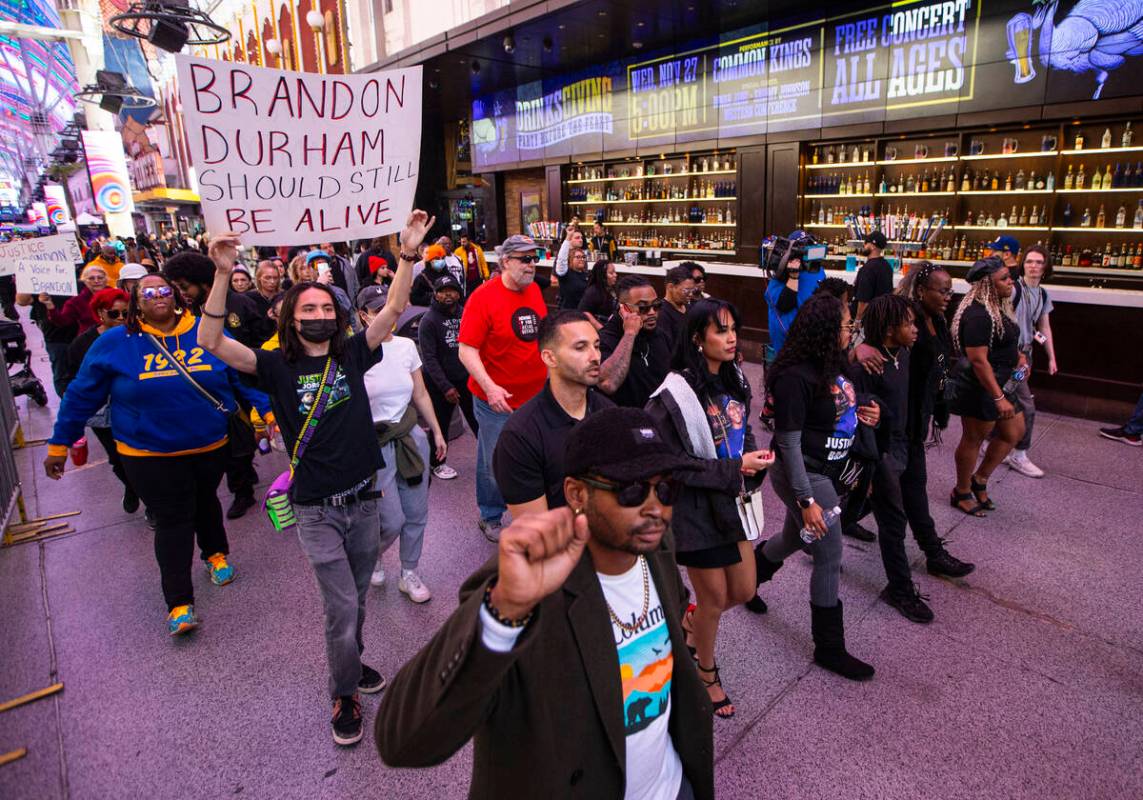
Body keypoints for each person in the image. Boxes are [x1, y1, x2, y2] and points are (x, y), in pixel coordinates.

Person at [375, 407, 714, 800]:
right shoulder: (526, 586)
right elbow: (402, 742)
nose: (656, 507)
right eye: (632, 490)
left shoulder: (655, 546)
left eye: (667, 488)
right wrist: (503, 614)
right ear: (576, 494)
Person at [198, 210, 430, 747]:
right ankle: (343, 691)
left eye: (328, 307)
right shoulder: (275, 364)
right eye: (310, 308)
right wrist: (220, 273)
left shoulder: (351, 353)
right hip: (317, 510)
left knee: (357, 600)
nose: (321, 314)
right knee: (341, 606)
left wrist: (408, 253)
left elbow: (393, 306)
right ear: (291, 318)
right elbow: (211, 341)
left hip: (365, 501)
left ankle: (353, 664)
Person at [44, 273, 273, 636]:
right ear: (136, 302)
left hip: (209, 444)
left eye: (164, 290)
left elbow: (242, 374)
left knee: (205, 501)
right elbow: (80, 395)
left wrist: (267, 410)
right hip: (147, 452)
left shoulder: (205, 332)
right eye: (147, 293)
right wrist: (61, 442)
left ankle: (215, 553)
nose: (157, 297)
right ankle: (179, 602)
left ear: (177, 296)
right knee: (173, 518)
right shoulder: (116, 342)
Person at [645, 299, 775, 717]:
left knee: (745, 589)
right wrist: (735, 467)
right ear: (698, 339)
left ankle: (689, 623)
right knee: (715, 599)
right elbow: (669, 463)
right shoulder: (673, 395)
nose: (732, 337)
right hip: (695, 511)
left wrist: (752, 462)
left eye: (734, 328)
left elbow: (743, 430)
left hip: (732, 502)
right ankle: (705, 672)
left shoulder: (736, 377)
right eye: (721, 330)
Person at [750, 292, 879, 681]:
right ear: (826, 330)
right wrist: (806, 499)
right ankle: (830, 647)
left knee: (792, 539)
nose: (851, 332)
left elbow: (844, 406)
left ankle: (746, 581)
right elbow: (787, 443)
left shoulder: (834, 362)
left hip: (828, 469)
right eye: (845, 326)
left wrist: (869, 412)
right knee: (828, 552)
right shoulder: (794, 376)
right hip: (804, 474)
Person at [850, 294, 942, 623]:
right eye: (909, 323)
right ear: (890, 330)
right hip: (879, 453)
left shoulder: (903, 351)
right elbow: (856, 416)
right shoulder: (867, 365)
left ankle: (827, 528)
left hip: (904, 443)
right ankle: (900, 590)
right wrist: (871, 466)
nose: (915, 328)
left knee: (864, 507)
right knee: (894, 522)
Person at [357, 284, 447, 605]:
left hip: (411, 438)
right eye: (377, 310)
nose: (386, 315)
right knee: (391, 518)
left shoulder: (407, 346)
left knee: (416, 512)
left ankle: (409, 571)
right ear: (363, 315)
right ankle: (373, 555)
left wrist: (436, 430)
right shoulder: (355, 351)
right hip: (374, 443)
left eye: (390, 308)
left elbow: (420, 393)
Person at [458, 234, 548, 542]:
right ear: (505, 261)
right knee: (494, 460)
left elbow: (541, 337)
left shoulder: (534, 290)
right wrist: (491, 387)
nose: (532, 265)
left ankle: (533, 510)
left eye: (534, 258)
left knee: (536, 455)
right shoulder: (483, 297)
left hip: (535, 395)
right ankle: (490, 515)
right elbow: (466, 350)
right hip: (495, 399)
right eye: (525, 259)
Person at [164, 251, 267, 519]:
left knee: (244, 440)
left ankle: (244, 485)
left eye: (184, 287)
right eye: (176, 287)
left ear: (202, 281)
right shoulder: (185, 315)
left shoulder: (241, 305)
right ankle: (242, 486)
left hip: (246, 382)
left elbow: (261, 343)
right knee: (233, 449)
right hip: (212, 393)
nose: (181, 293)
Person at [493, 311, 613, 518]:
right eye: (580, 347)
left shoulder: (609, 415)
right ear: (550, 357)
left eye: (596, 345)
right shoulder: (520, 436)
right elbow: (536, 530)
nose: (595, 357)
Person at [948, 257, 1024, 517]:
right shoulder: (978, 314)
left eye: (1009, 276)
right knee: (973, 438)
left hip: (1002, 382)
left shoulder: (999, 306)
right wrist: (998, 397)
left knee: (1013, 432)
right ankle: (961, 490)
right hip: (981, 386)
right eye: (1003, 278)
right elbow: (979, 361)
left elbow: (1005, 342)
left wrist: (1018, 357)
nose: (1010, 281)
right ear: (987, 285)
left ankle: (979, 479)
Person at [62, 287, 138, 514]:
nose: (122, 319)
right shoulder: (83, 344)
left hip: (135, 404)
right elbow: (71, 379)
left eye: (126, 313)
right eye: (114, 314)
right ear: (100, 314)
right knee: (117, 457)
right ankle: (132, 488)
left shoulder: (137, 334)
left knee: (144, 453)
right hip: (102, 409)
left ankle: (150, 500)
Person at [1002, 245, 1058, 478]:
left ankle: (994, 441)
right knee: (1027, 405)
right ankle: (1018, 453)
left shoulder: (1043, 294)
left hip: (1026, 355)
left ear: (1046, 267)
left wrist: (1052, 357)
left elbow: (1043, 327)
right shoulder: (1014, 289)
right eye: (1029, 262)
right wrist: (1016, 356)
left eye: (1038, 262)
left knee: (1006, 394)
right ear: (1022, 264)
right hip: (1012, 357)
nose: (1033, 266)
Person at [418, 274, 479, 481]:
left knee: (479, 421)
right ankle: (437, 463)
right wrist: (445, 387)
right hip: (439, 384)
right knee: (440, 425)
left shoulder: (466, 313)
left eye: (452, 290)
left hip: (467, 379)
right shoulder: (428, 321)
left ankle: (489, 456)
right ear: (435, 294)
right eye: (443, 291)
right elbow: (429, 359)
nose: (448, 295)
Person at [598, 276, 672, 408]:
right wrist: (630, 334)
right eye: (643, 308)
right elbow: (608, 383)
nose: (652, 313)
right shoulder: (605, 340)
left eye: (656, 305)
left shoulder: (660, 335)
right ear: (623, 309)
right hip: (625, 420)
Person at [763, 232, 826, 361]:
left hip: (812, 342)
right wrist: (793, 276)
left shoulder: (816, 270)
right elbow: (784, 305)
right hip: (787, 347)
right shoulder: (780, 275)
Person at [44, 263, 107, 336]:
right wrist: (50, 306)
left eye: (100, 278)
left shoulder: (117, 295)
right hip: (89, 340)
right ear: (84, 281)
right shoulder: (76, 301)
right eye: (91, 278)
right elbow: (62, 321)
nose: (96, 281)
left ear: (105, 280)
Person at [853, 231, 892, 323]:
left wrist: (858, 320)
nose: (864, 245)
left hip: (868, 320)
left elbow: (863, 299)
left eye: (866, 242)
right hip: (881, 317)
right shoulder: (886, 265)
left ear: (873, 246)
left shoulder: (868, 269)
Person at [659, 265, 696, 351]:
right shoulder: (662, 313)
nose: (690, 294)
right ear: (670, 287)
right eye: (686, 290)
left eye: (692, 291)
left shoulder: (689, 307)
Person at [578, 258, 618, 327]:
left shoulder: (613, 289)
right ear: (602, 276)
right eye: (611, 273)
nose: (615, 275)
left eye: (615, 272)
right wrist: (600, 328)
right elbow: (584, 311)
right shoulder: (593, 291)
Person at [454, 233, 489, 297]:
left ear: (469, 241)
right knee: (468, 297)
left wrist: (486, 274)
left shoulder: (477, 249)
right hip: (466, 280)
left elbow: (483, 263)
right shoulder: (457, 251)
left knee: (479, 296)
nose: (462, 244)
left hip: (477, 279)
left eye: (464, 242)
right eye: (461, 242)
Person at [557, 246, 590, 310]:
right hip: (568, 312)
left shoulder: (587, 275)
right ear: (570, 259)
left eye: (583, 257)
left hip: (583, 312)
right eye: (578, 257)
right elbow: (561, 260)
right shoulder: (565, 274)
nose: (582, 259)